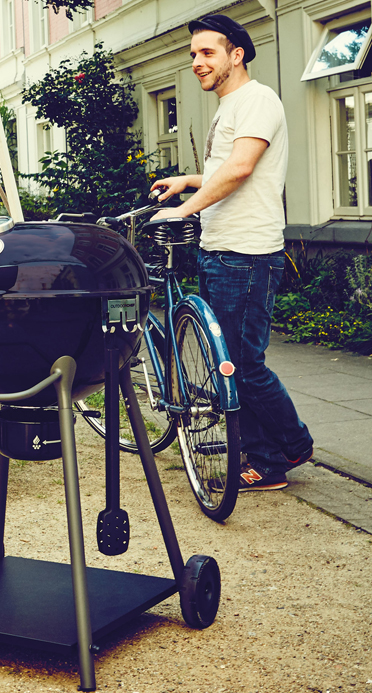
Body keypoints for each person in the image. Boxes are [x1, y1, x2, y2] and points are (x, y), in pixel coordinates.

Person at [151, 14, 314, 491]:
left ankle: (282, 452)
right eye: (194, 55)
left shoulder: (257, 99)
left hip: (244, 254)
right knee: (233, 362)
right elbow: (232, 169)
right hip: (223, 251)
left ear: (236, 55)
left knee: (242, 364)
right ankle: (268, 448)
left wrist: (184, 211)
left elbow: (242, 168)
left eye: (208, 53)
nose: (198, 63)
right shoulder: (233, 105)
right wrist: (189, 181)